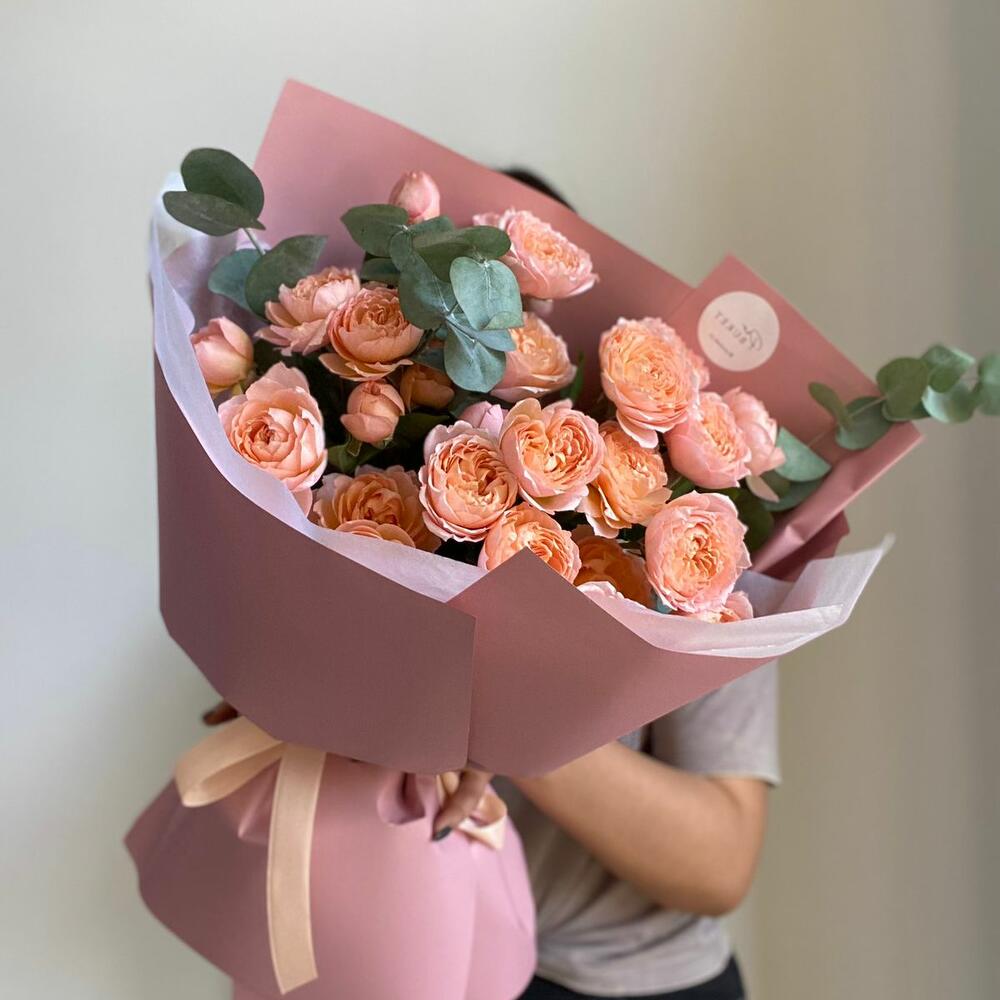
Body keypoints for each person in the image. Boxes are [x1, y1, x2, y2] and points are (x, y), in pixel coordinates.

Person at [433, 171, 780, 1000]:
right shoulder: (361, 495)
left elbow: (720, 862)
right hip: (410, 951)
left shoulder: (699, 535)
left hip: (623, 980)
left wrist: (506, 727)